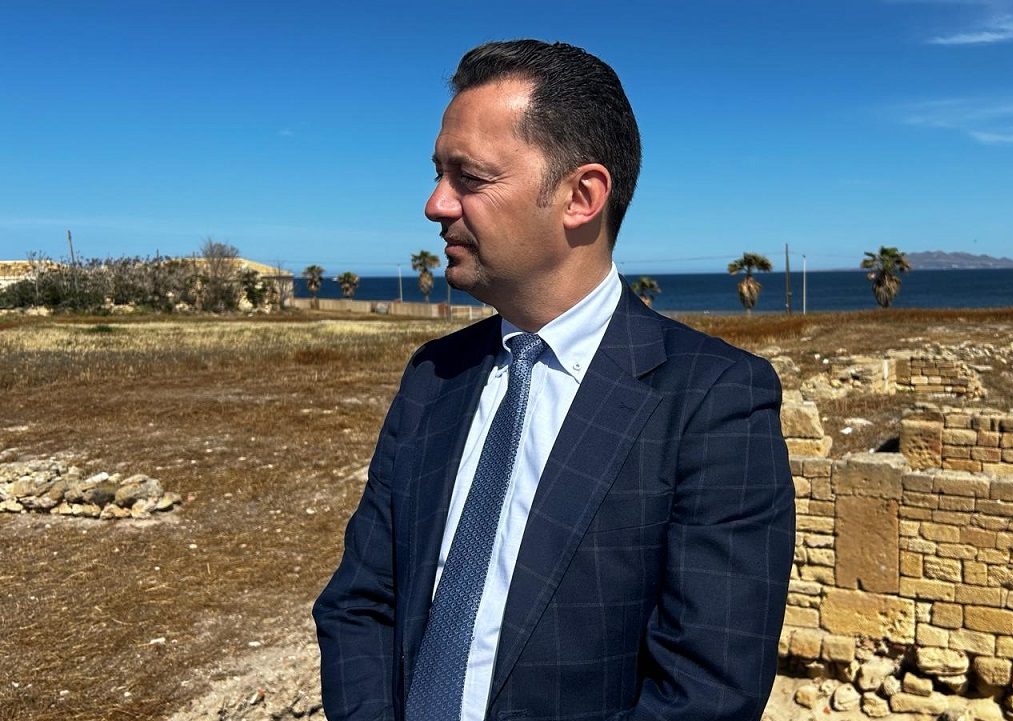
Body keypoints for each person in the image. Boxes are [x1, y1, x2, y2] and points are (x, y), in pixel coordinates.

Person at [313, 39, 794, 721]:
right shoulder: (434, 375)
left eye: (469, 178)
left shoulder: (712, 400)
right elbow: (360, 603)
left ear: (580, 196)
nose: (435, 204)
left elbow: (706, 691)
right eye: (438, 174)